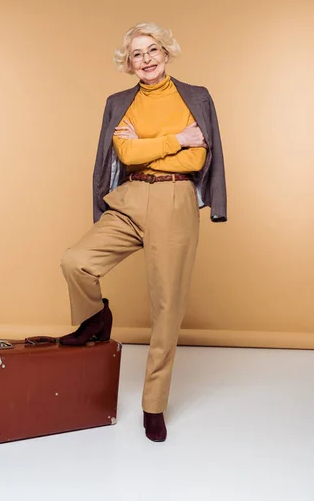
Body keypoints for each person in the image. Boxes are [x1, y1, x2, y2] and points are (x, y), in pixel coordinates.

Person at [59, 22, 227, 442]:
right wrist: (175, 139)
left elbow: (196, 160)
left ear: (166, 53)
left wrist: (149, 145)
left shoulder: (195, 97)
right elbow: (125, 153)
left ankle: (154, 405)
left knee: (166, 309)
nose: (147, 59)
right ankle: (96, 318)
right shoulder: (119, 103)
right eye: (137, 54)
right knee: (76, 261)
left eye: (153, 50)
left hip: (175, 203)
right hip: (131, 198)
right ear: (128, 63)